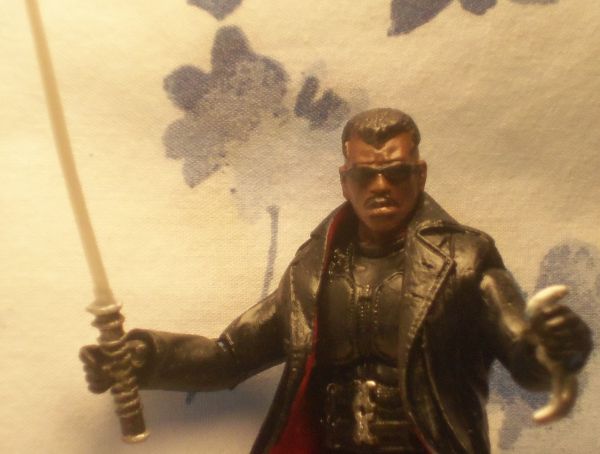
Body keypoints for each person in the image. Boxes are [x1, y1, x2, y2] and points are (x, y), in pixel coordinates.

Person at [80, 108, 592, 453]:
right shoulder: (314, 269)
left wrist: (557, 348)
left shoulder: (464, 260)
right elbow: (230, 355)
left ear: (420, 174)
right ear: (345, 180)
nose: (381, 186)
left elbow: (528, 359)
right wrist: (141, 358)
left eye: (397, 172)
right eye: (366, 175)